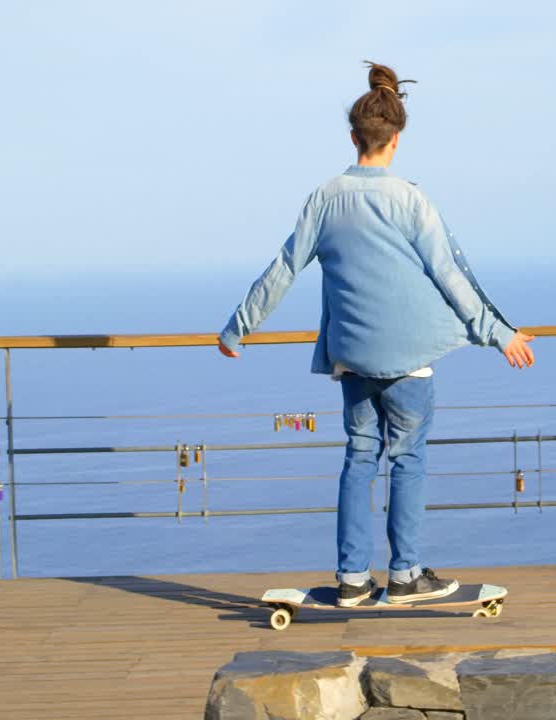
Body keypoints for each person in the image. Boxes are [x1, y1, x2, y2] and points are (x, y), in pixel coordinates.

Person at [217, 62, 536, 607]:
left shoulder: (325, 197)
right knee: (407, 459)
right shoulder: (412, 200)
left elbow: (284, 268)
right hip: (411, 358)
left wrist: (236, 328)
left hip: (353, 359)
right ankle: (406, 576)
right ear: (397, 138)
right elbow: (450, 276)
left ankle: (352, 581)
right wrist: (499, 333)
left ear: (353, 138)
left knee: (359, 457)